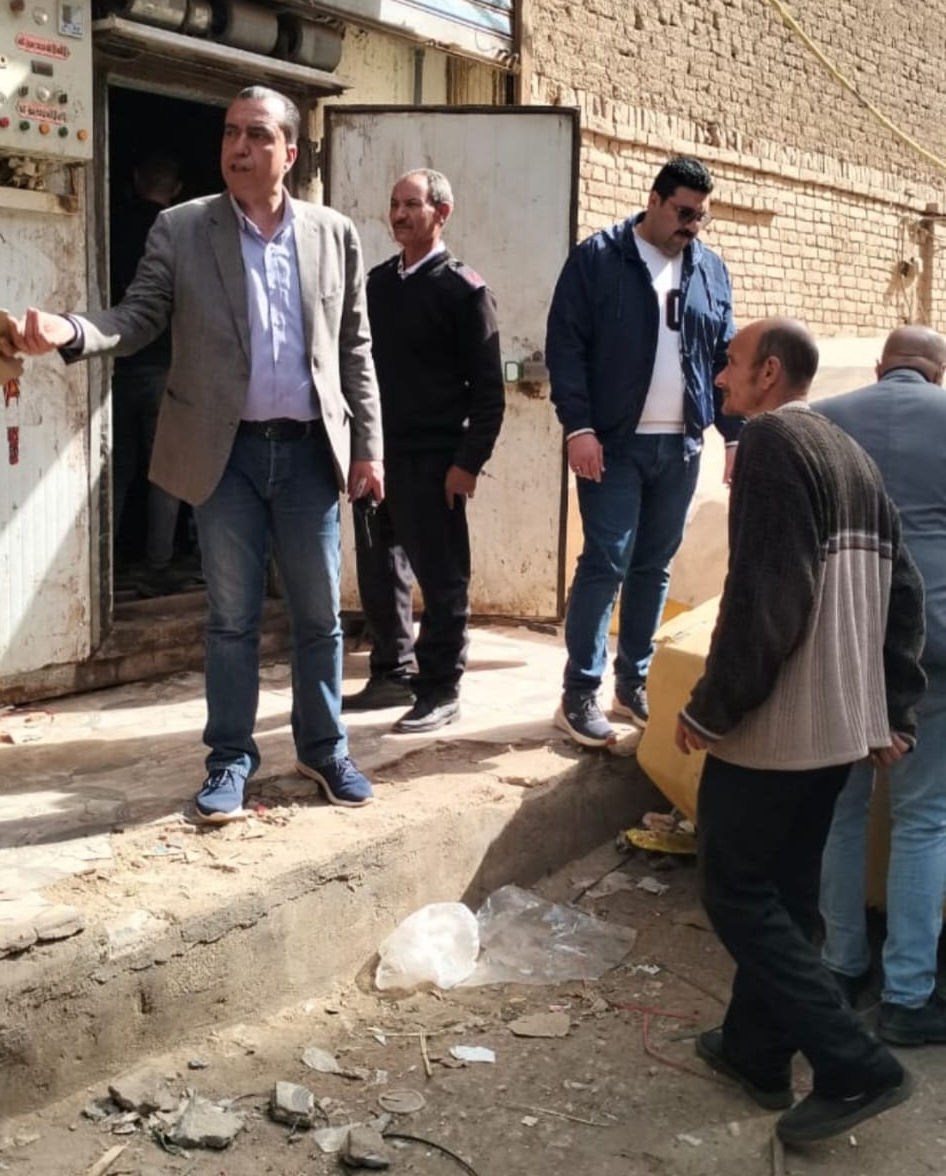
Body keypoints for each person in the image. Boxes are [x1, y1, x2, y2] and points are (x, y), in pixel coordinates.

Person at [4, 85, 384, 821]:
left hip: (308, 456)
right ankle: (230, 759)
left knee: (318, 617)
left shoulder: (333, 233)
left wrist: (369, 446)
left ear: (290, 151)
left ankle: (324, 748)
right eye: (231, 133)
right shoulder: (182, 228)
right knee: (232, 619)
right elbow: (139, 315)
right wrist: (71, 330)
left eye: (257, 135)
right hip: (224, 455)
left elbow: (354, 348)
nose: (239, 147)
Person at [676, 318, 925, 1146]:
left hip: (776, 731)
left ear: (769, 373)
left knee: (734, 890)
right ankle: (756, 1052)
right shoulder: (850, 452)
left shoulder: (773, 442)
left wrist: (712, 707)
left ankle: (856, 1064)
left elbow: (765, 598)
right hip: (838, 733)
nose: (720, 378)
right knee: (783, 894)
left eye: (731, 364)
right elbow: (907, 592)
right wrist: (891, 708)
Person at [545, 155, 739, 749]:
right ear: (653, 200)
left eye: (701, 217)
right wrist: (579, 427)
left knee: (655, 565)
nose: (691, 226)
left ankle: (632, 684)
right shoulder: (599, 258)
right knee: (606, 561)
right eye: (683, 212)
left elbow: (724, 357)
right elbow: (566, 345)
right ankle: (579, 692)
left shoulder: (709, 268)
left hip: (681, 445)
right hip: (613, 442)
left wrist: (734, 436)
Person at [816, 325, 946, 1043]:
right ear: (938, 373)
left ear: (880, 367)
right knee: (923, 818)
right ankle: (907, 997)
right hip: (932, 647)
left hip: (843, 642)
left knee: (841, 810)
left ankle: (839, 966)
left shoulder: (825, 421)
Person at [342, 169, 504, 734]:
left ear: (442, 212)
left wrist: (467, 463)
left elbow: (489, 394)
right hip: (376, 458)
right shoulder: (378, 285)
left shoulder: (464, 291)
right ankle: (391, 671)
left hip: (435, 464)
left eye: (412, 204)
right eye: (395, 204)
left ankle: (440, 688)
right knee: (378, 568)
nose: (400, 215)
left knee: (442, 578)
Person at [109, 151, 190, 597]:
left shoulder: (114, 227)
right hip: (165, 367)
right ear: (176, 189)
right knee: (167, 469)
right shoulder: (181, 232)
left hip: (117, 364)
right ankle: (159, 563)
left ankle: (106, 560)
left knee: (117, 467)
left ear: (137, 178)